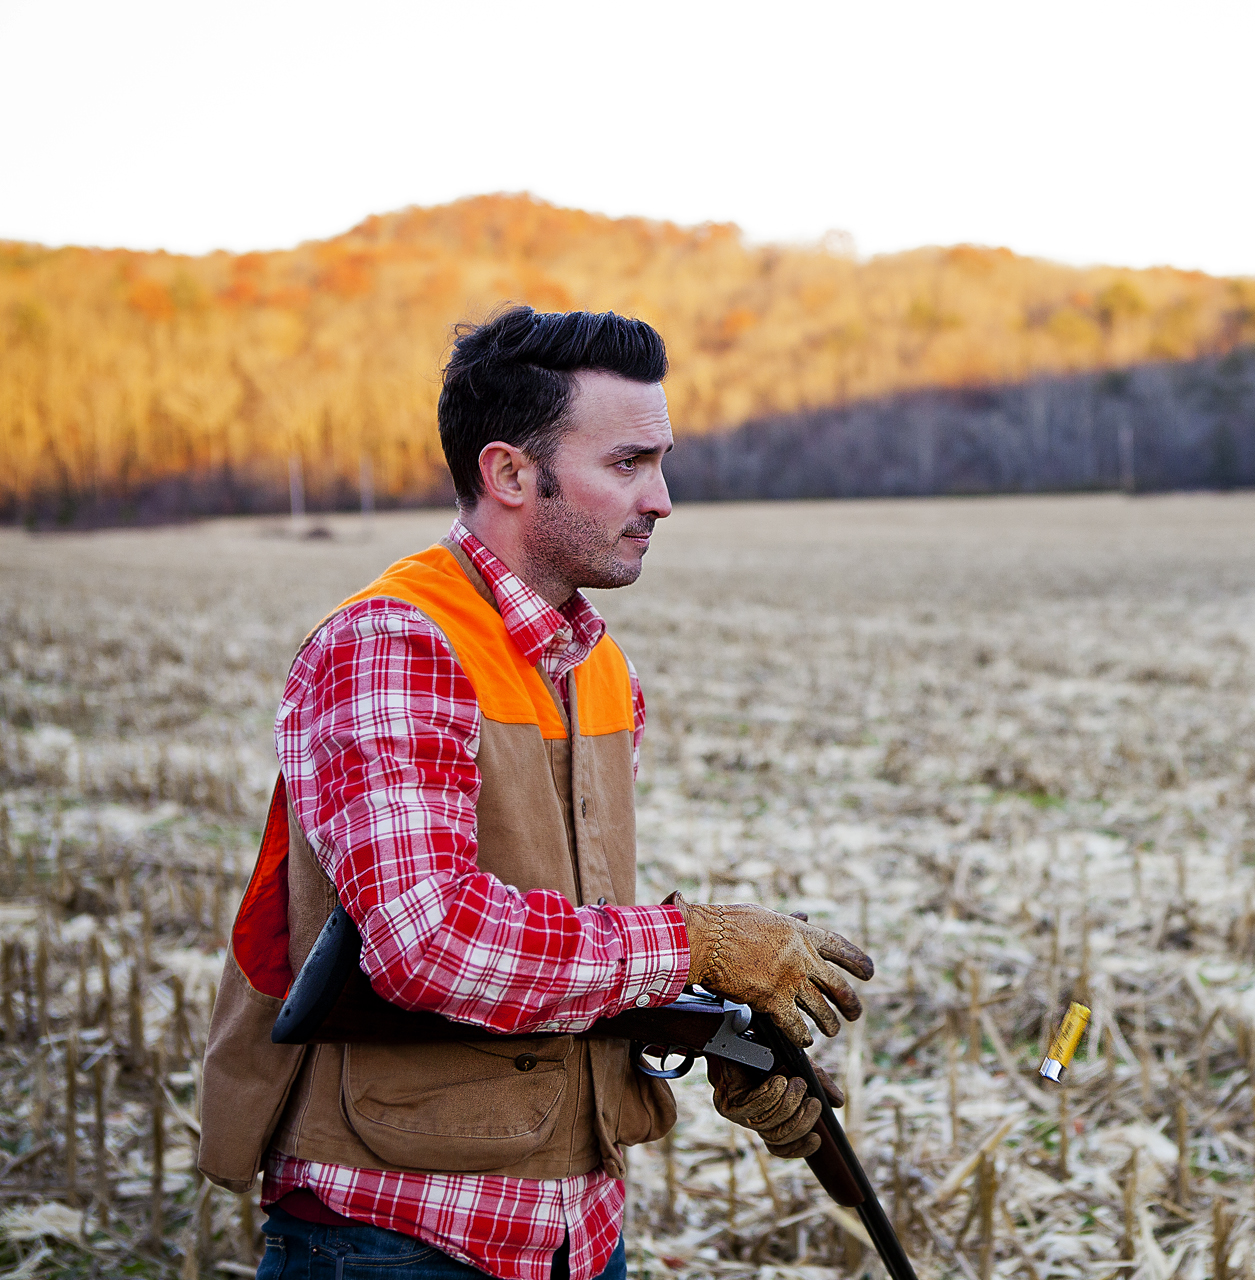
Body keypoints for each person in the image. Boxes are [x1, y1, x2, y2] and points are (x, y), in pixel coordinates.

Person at [197, 307, 873, 1280]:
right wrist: (696, 944)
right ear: (511, 472)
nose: (664, 498)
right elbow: (431, 944)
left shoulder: (601, 669)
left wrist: (719, 1031)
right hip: (400, 1227)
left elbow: (561, 937)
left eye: (662, 461)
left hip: (576, 1222)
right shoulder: (396, 644)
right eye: (629, 463)